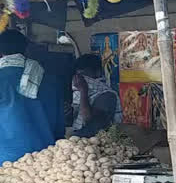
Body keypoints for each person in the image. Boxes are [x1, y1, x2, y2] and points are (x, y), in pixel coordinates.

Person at [0, 30, 63, 164]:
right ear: (26, 49)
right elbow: (59, 126)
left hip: (5, 160)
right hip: (44, 158)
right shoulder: (48, 78)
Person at [71, 53, 122, 137]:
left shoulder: (107, 95)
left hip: (99, 143)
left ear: (98, 73)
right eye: (79, 76)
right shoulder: (78, 93)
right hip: (79, 142)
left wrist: (84, 90)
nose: (81, 80)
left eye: (85, 75)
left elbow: (89, 121)